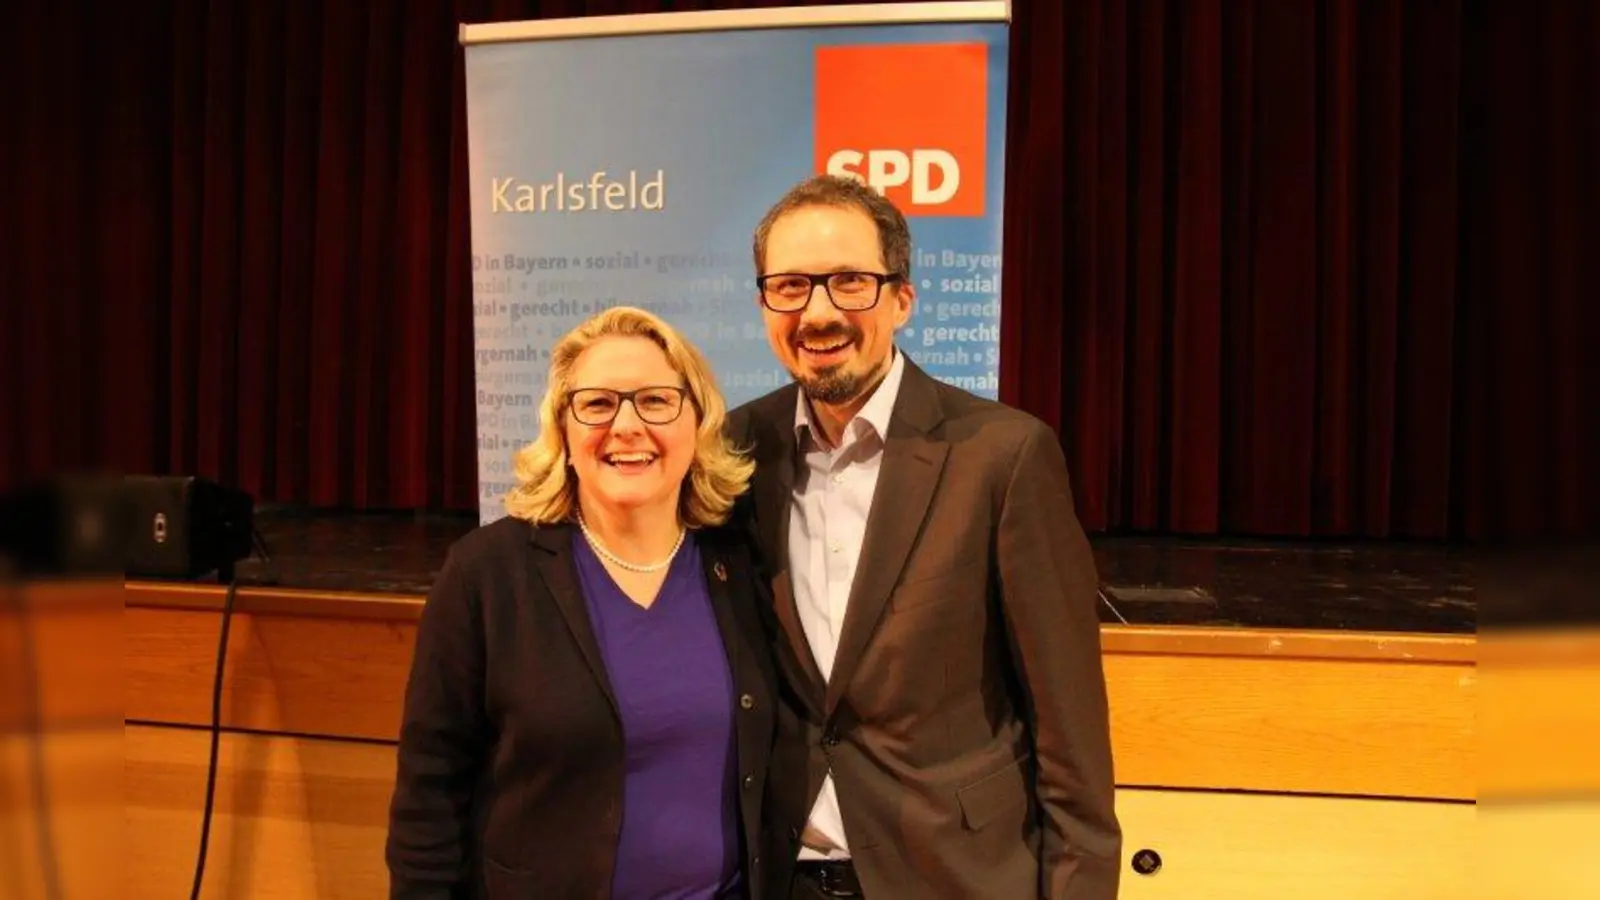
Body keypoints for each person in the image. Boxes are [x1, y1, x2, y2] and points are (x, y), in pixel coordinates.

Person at [726, 175, 1122, 899]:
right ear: (764, 304)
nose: (817, 311)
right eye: (789, 286)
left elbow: (1069, 728)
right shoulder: (734, 451)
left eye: (849, 282)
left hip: (951, 873)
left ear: (901, 299)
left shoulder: (1003, 455)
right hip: (776, 872)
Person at [386, 306, 779, 900]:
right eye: (597, 404)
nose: (626, 426)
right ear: (563, 433)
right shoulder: (488, 573)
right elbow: (430, 793)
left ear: (696, 424)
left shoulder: (739, 563)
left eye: (655, 401)